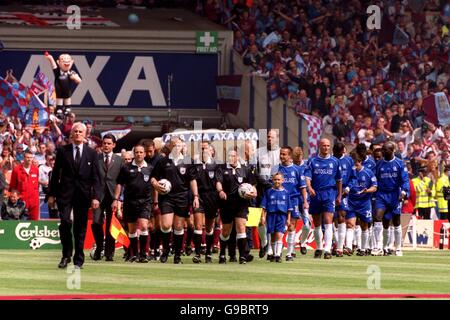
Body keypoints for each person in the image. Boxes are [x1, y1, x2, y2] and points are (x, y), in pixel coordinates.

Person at [48, 122, 101, 269]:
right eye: (75, 131)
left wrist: (96, 196)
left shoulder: (92, 153)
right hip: (64, 194)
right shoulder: (62, 151)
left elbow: (96, 177)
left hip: (83, 196)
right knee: (65, 223)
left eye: (80, 132)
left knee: (80, 227)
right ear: (71, 134)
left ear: (85, 135)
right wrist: (51, 194)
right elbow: (55, 174)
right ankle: (66, 255)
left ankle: (79, 259)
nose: (77, 134)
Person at [150, 138, 200, 264]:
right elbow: (153, 178)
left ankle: (177, 254)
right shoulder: (163, 161)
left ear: (183, 146)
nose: (177, 147)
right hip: (166, 197)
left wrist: (195, 196)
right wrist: (155, 185)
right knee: (166, 225)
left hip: (182, 197)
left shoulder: (188, 162)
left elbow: (192, 180)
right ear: (170, 146)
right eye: (174, 144)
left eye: (179, 145)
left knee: (178, 226)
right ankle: (166, 250)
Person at [216, 147, 257, 264]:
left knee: (241, 228)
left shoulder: (245, 169)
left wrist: (254, 192)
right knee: (226, 231)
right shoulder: (222, 168)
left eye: (233, 156)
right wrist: (220, 191)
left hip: (241, 204)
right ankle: (222, 253)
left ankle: (242, 256)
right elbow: (218, 182)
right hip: (227, 204)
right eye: (229, 156)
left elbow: (253, 184)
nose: (231, 158)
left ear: (238, 157)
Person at [113, 144, 153, 263]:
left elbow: (154, 184)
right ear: (134, 154)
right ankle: (134, 253)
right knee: (132, 230)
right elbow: (119, 184)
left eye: (141, 152)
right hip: (130, 201)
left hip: (145, 201)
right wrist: (116, 199)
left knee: (144, 226)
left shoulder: (150, 168)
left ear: (144, 154)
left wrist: (155, 200)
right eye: (137, 152)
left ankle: (143, 254)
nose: (139, 154)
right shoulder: (126, 168)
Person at [305, 138, 342, 259]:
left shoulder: (335, 162)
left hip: (329, 193)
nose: (326, 147)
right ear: (319, 146)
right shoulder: (312, 161)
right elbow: (307, 177)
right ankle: (319, 247)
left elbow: (339, 180)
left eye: (328, 145)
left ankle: (327, 249)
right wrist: (309, 187)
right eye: (324, 145)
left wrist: (339, 195)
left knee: (328, 221)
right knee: (316, 223)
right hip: (315, 194)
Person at [270, 146, 308, 261]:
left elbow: (302, 187)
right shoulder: (276, 169)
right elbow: (271, 185)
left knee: (292, 226)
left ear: (290, 156)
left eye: (284, 154)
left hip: (293, 201)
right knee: (277, 227)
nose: (282, 156)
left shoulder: (297, 170)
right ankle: (275, 251)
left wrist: (305, 201)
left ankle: (289, 253)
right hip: (278, 201)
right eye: (280, 154)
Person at [372, 141, 410, 256]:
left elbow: (404, 180)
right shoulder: (379, 164)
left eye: (386, 150)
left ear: (392, 150)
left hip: (394, 195)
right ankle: (378, 246)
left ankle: (398, 247)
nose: (383, 152)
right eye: (382, 149)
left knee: (396, 221)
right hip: (381, 195)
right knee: (378, 217)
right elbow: (375, 178)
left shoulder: (399, 164)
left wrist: (404, 192)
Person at [91, 134, 124, 262]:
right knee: (96, 223)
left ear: (114, 145)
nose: (106, 145)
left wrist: (117, 199)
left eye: (109, 143)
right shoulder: (96, 159)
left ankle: (109, 253)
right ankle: (99, 247)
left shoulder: (119, 160)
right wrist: (94, 197)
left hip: (113, 196)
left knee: (111, 225)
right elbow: (92, 179)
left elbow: (121, 182)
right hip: (98, 197)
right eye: (104, 143)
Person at [192, 141, 220, 263]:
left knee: (209, 227)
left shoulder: (216, 165)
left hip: (212, 197)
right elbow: (192, 181)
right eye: (202, 148)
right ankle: (197, 253)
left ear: (211, 151)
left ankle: (208, 252)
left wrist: (220, 192)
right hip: (199, 196)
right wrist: (195, 196)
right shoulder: (194, 164)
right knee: (198, 225)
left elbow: (219, 181)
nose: (204, 150)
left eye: (206, 148)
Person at [255, 129, 280, 259]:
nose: (270, 139)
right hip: (260, 189)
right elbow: (254, 170)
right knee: (258, 220)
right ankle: (264, 242)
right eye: (268, 137)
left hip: (275, 190)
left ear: (277, 138)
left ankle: (270, 248)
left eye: (272, 137)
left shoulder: (281, 153)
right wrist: (263, 181)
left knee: (272, 220)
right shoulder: (259, 152)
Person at [347, 152, 378, 256]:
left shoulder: (368, 173)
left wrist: (367, 191)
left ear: (360, 162)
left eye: (355, 163)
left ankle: (363, 249)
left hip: (364, 203)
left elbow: (375, 187)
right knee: (350, 224)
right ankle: (349, 247)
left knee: (364, 226)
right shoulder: (350, 172)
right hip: (351, 201)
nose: (353, 166)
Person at [260, 172, 293, 263]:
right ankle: (274, 254)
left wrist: (288, 219)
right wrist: (263, 217)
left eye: (279, 179)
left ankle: (278, 254)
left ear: (282, 180)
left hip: (281, 216)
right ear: (272, 180)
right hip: (271, 215)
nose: (277, 181)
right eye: (275, 179)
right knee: (273, 236)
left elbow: (289, 208)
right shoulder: (269, 192)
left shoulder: (286, 193)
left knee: (279, 235)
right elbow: (264, 206)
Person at [333, 142, 354, 257]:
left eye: (339, 152)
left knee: (342, 216)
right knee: (329, 219)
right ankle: (334, 244)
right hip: (330, 191)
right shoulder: (330, 160)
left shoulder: (349, 161)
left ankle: (340, 248)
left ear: (342, 151)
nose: (337, 154)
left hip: (344, 193)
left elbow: (353, 177)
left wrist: (349, 187)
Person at [9, 150, 40, 220]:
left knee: (34, 223)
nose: (29, 159)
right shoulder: (16, 170)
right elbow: (13, 187)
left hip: (34, 201)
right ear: (23, 158)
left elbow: (37, 185)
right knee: (20, 222)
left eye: (31, 157)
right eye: (27, 157)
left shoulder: (36, 169)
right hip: (21, 201)